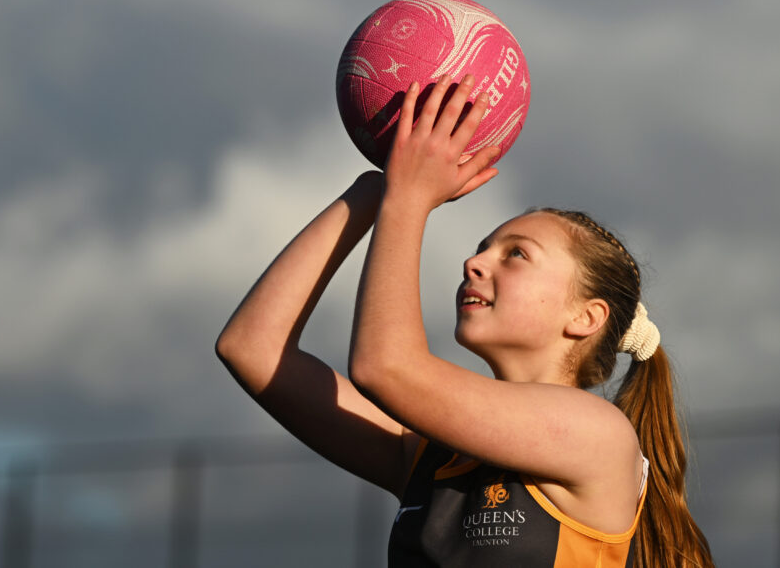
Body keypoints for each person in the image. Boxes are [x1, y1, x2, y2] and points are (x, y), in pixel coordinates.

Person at [216, 74, 714, 567]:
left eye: (516, 254)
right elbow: (252, 348)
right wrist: (374, 190)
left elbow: (385, 369)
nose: (474, 264)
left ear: (586, 317)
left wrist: (408, 198)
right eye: (482, 250)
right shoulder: (429, 456)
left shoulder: (597, 435)